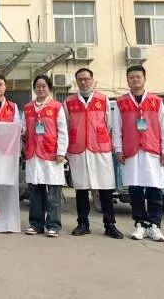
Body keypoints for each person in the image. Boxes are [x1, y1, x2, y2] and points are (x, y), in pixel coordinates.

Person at [112, 65, 164, 242]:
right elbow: (117, 128)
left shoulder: (156, 101)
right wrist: (118, 149)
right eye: (131, 77)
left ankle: (155, 225)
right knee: (135, 189)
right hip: (131, 152)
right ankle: (140, 224)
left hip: (152, 151)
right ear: (127, 80)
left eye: (138, 76)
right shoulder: (121, 102)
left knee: (154, 189)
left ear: (144, 78)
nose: (135, 80)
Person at [64, 68, 123, 239]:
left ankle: (110, 225)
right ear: (76, 82)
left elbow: (109, 124)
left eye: (86, 79)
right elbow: (66, 126)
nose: (84, 82)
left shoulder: (102, 99)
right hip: (78, 149)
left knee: (105, 189)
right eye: (80, 79)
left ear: (92, 80)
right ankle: (83, 224)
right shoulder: (69, 102)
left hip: (100, 149)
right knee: (81, 189)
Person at [23, 75, 68, 237]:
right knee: (35, 190)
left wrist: (61, 152)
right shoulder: (28, 107)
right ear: (34, 88)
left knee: (53, 191)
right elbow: (25, 128)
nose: (41, 89)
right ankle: (36, 224)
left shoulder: (56, 107)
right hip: (33, 153)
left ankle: (53, 225)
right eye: (38, 86)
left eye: (44, 86)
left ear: (49, 88)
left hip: (51, 153)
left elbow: (63, 130)